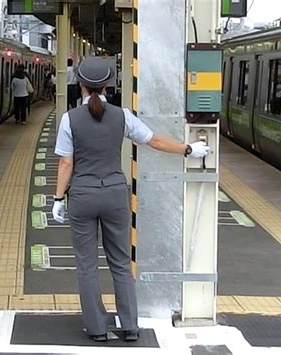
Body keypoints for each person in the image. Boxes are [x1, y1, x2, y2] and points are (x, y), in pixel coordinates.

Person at [52, 57, 210, 342]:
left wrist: (58, 198)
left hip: (83, 196)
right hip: (114, 194)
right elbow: (155, 141)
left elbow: (66, 163)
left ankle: (97, 328)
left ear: (81, 85)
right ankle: (130, 326)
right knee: (121, 263)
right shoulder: (123, 116)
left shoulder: (69, 118)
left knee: (87, 264)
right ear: (109, 85)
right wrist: (189, 149)